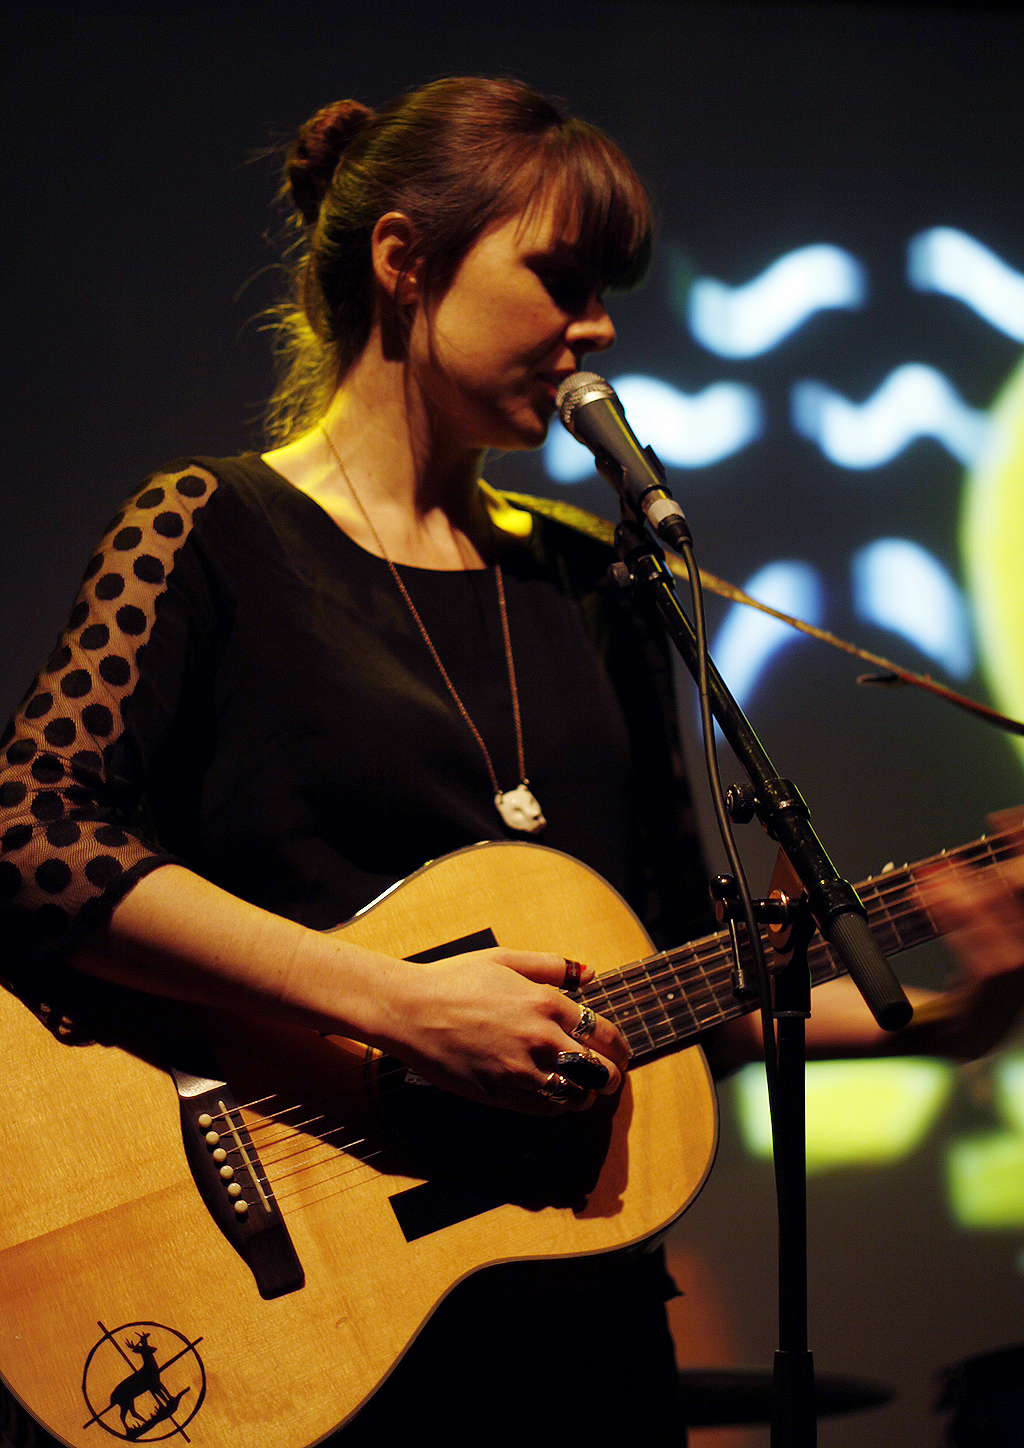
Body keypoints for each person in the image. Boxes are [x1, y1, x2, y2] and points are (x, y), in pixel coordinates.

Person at [1, 76, 1022, 1448]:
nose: (597, 324)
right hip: (292, 1298)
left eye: (608, 289)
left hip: (572, 1311)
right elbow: (30, 839)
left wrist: (958, 1018)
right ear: (405, 262)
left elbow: (674, 990)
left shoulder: (597, 583)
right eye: (561, 276)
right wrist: (397, 1006)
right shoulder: (209, 529)